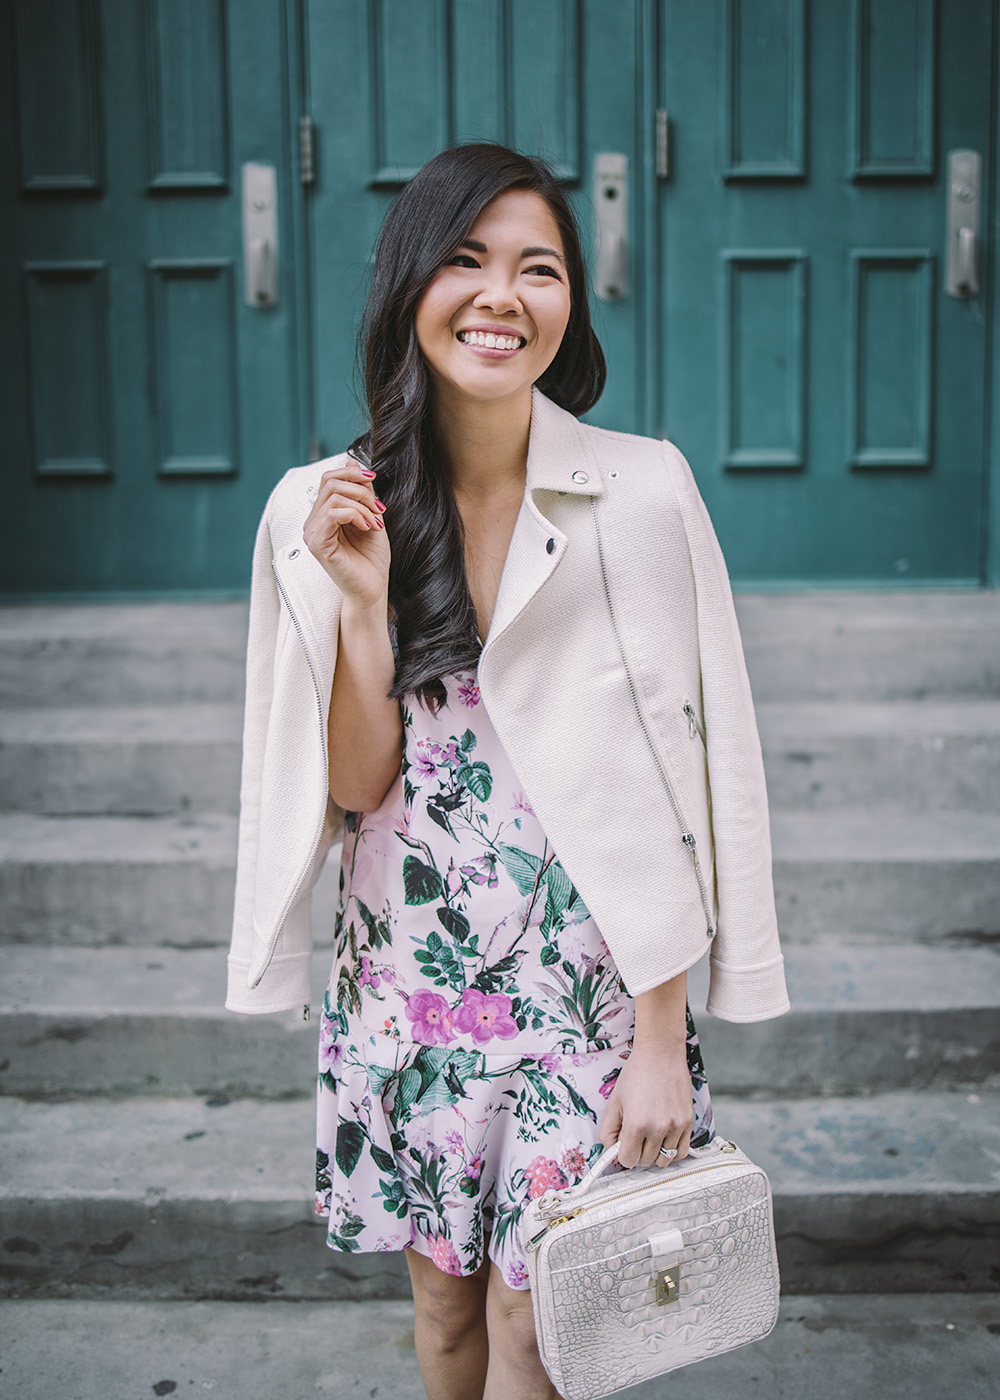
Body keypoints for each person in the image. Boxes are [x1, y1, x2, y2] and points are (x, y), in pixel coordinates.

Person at [226, 142, 789, 1400]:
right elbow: (363, 786)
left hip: (583, 993)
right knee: (441, 1311)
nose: (501, 295)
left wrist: (662, 1028)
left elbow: (691, 773)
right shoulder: (323, 508)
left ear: (569, 304)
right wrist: (362, 605)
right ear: (409, 280)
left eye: (538, 267)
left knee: (546, 1325)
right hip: (413, 988)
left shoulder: (640, 490)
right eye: (467, 260)